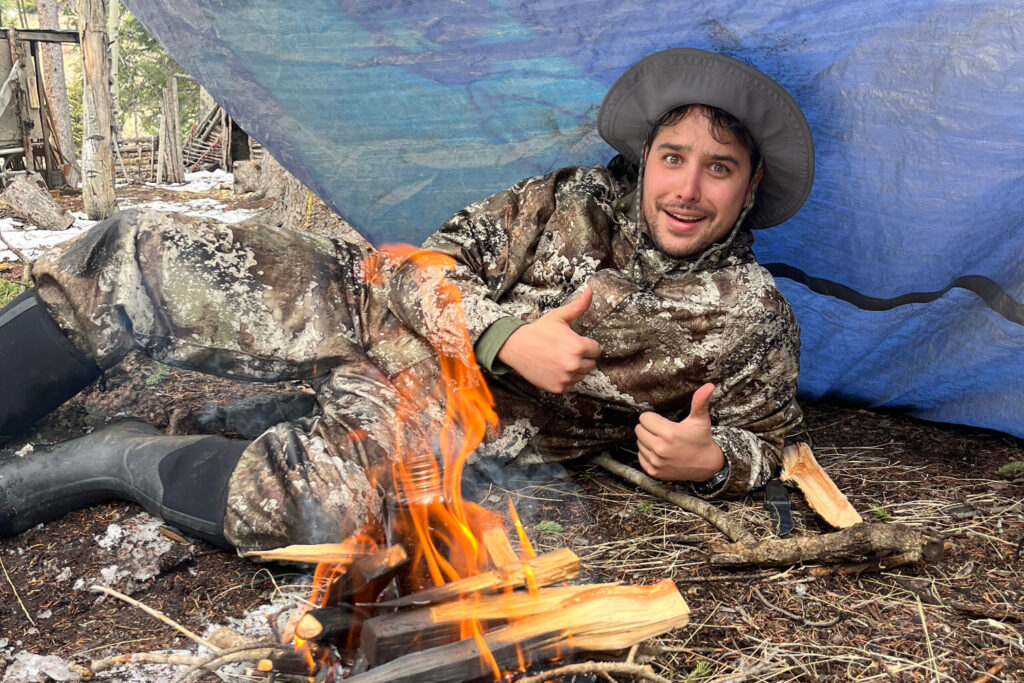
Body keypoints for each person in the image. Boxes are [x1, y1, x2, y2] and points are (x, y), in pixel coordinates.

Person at [0, 48, 813, 554]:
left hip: (448, 415)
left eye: (719, 168)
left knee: (308, 505)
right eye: (674, 157)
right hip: (371, 309)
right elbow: (429, 262)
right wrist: (503, 333)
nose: (687, 188)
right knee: (143, 251)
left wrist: (714, 462)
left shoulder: (750, 315)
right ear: (646, 157)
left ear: (749, 189)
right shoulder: (567, 199)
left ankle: (116, 457)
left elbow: (771, 442)